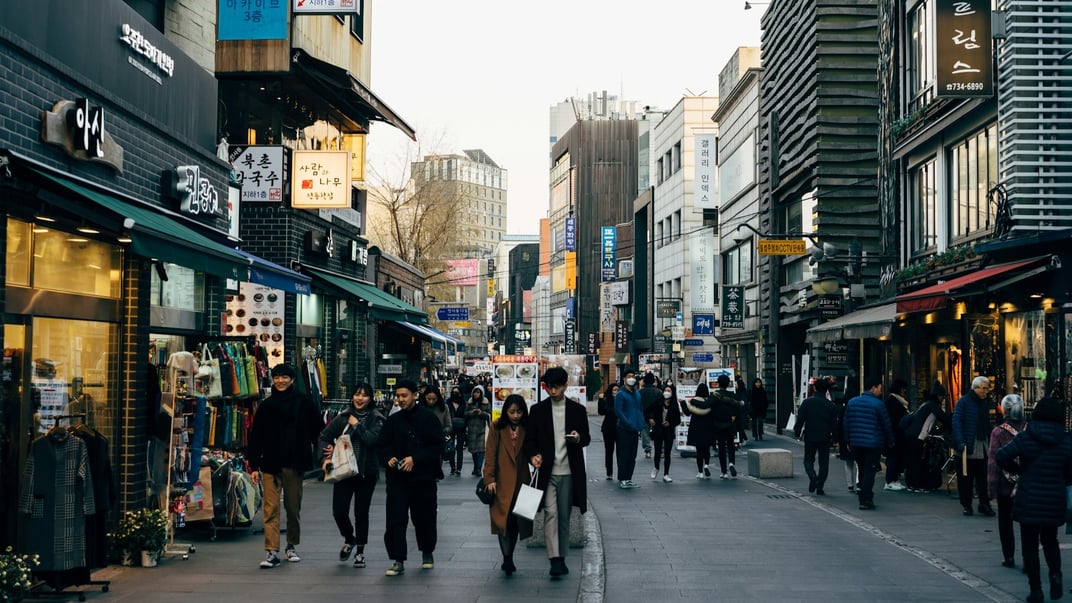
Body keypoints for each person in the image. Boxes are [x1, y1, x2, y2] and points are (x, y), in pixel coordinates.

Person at [996, 397, 1072, 603]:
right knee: (1050, 540)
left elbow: (1001, 456)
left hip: (1029, 495)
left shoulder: (1026, 436)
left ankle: (1036, 589)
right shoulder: (1065, 440)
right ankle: (1056, 575)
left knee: (1030, 544)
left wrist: (1020, 470)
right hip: (1054, 496)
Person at [247, 363, 322, 568]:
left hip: (294, 462)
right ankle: (272, 551)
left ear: (292, 380)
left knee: (292, 506)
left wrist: (325, 454)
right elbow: (256, 437)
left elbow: (319, 430)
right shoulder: (266, 406)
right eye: (277, 377)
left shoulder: (304, 403)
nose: (280, 381)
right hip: (270, 462)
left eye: (284, 377)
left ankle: (291, 545)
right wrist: (253, 465)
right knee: (270, 508)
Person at [523, 367, 590, 578]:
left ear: (565, 386)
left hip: (570, 472)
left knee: (564, 514)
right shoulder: (538, 410)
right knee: (551, 512)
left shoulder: (577, 410)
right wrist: (533, 455)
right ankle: (554, 559)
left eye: (557, 387)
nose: (553, 391)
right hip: (547, 472)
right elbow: (529, 440)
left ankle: (562, 556)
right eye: (549, 387)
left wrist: (578, 438)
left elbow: (586, 438)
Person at [379, 379, 445, 577]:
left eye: (404, 395)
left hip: (423, 478)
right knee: (396, 519)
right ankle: (398, 559)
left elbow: (437, 446)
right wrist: (388, 458)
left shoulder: (429, 418)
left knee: (424, 517)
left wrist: (415, 458)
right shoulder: (393, 420)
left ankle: (427, 552)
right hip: (397, 479)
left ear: (416, 395)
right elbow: (382, 444)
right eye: (398, 396)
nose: (400, 400)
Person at [318, 383, 385, 568]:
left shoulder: (377, 419)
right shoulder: (342, 417)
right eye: (357, 394)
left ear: (370, 399)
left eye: (364, 395)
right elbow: (324, 436)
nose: (360, 398)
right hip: (343, 471)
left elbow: (372, 440)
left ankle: (360, 552)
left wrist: (356, 426)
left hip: (366, 473)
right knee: (339, 511)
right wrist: (325, 456)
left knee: (361, 512)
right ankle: (349, 538)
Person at [483, 394, 533, 576]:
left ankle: (509, 555)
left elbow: (532, 450)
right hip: (501, 480)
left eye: (519, 412)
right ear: (506, 411)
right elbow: (490, 454)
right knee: (502, 521)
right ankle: (507, 557)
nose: (515, 415)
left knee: (516, 521)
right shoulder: (497, 426)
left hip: (522, 480)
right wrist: (489, 479)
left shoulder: (527, 428)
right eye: (512, 412)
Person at [988, 394, 1027, 570]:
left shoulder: (998, 432)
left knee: (1005, 523)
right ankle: (1029, 559)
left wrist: (991, 489)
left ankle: (1009, 556)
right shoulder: (1030, 429)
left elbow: (993, 463)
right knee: (1028, 525)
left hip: (1005, 485)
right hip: (1026, 485)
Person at [843, 376, 893, 510]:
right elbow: (886, 425)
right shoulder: (878, 404)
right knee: (870, 472)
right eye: (879, 388)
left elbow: (846, 423)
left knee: (862, 469)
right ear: (873, 388)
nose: (880, 392)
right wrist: (890, 440)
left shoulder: (852, 402)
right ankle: (865, 499)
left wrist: (847, 440)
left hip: (856, 443)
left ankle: (866, 496)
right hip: (873, 443)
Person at [952, 376, 997, 517]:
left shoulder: (987, 403)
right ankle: (967, 504)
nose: (986, 391)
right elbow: (957, 422)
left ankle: (984, 503)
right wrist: (960, 442)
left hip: (983, 443)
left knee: (984, 477)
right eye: (983, 388)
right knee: (966, 477)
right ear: (975, 388)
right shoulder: (964, 402)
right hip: (968, 444)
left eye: (987, 388)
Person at [795, 376, 836, 495]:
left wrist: (797, 432)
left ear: (815, 388)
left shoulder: (807, 402)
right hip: (825, 436)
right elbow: (834, 424)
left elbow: (800, 419)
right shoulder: (830, 405)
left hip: (810, 435)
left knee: (808, 459)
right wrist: (835, 438)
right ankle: (820, 486)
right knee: (824, 462)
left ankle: (812, 474)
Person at [902, 391, 951, 492]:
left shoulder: (925, 404)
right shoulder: (933, 407)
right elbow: (945, 419)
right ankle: (917, 485)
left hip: (910, 434)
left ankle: (911, 484)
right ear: (938, 396)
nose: (943, 400)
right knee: (917, 460)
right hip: (918, 436)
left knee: (911, 460)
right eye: (942, 396)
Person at [614, 370, 644, 489]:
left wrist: (640, 422)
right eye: (629, 377)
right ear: (624, 379)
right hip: (624, 429)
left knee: (632, 455)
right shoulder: (621, 394)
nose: (632, 378)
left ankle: (628, 478)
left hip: (635, 429)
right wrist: (628, 422)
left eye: (633, 376)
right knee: (624, 455)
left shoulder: (637, 393)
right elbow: (618, 411)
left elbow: (640, 409)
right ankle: (622, 478)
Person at [646, 383, 682, 482]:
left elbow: (678, 420)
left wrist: (670, 423)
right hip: (658, 430)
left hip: (668, 431)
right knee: (657, 452)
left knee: (667, 453)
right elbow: (648, 411)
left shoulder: (674, 405)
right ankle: (656, 467)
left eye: (669, 391)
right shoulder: (658, 402)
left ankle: (666, 473)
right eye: (665, 390)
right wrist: (650, 419)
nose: (666, 393)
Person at [710, 375, 741, 479]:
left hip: (719, 424)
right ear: (728, 384)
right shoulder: (732, 395)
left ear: (718, 383)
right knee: (731, 444)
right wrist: (734, 416)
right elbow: (738, 407)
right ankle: (731, 463)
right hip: (730, 424)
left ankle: (724, 472)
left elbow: (711, 408)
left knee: (722, 447)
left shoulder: (715, 395)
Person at [682, 383, 716, 479]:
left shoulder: (694, 401)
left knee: (699, 451)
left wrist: (683, 403)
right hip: (708, 428)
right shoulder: (709, 402)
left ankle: (700, 472)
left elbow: (687, 413)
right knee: (707, 449)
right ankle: (706, 465)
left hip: (696, 428)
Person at [883, 378, 910, 492]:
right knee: (893, 458)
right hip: (894, 435)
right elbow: (894, 419)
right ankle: (890, 480)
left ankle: (894, 480)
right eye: (904, 389)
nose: (905, 391)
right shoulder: (893, 401)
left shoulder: (895, 400)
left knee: (895, 457)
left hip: (896, 434)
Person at [421, 386, 454, 472]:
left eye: (434, 399)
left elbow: (449, 425)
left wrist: (441, 431)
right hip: (422, 442)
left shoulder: (444, 408)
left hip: (437, 441)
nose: (431, 401)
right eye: (429, 399)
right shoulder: (420, 408)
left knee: (436, 466)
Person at [465, 385, 491, 476]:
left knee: (481, 449)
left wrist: (482, 413)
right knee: (474, 450)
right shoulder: (470, 402)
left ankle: (479, 468)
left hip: (482, 428)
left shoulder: (486, 402)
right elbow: (465, 414)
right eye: (475, 392)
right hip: (472, 428)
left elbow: (489, 415)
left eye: (478, 392)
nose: (476, 394)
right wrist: (472, 412)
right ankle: (476, 466)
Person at [597, 383, 620, 481]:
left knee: (620, 451)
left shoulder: (621, 400)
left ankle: (621, 471)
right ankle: (609, 471)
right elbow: (601, 412)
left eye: (617, 390)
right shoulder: (606, 400)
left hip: (619, 428)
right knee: (609, 451)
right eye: (614, 390)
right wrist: (601, 400)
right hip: (608, 428)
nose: (616, 392)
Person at [638, 373, 661, 459]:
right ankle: (660, 450)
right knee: (658, 433)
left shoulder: (640, 392)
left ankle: (648, 451)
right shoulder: (658, 392)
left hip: (644, 415)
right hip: (656, 416)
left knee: (645, 433)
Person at [446, 385, 467, 476]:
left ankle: (459, 468)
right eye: (453, 392)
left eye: (457, 392)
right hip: (450, 427)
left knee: (459, 448)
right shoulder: (448, 403)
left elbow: (466, 415)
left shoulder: (464, 403)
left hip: (461, 427)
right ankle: (452, 467)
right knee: (451, 448)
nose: (455, 394)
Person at [734, 375, 750, 446]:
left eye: (736, 384)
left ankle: (741, 440)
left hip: (742, 413)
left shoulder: (742, 393)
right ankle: (744, 439)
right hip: (740, 412)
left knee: (740, 427)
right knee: (740, 427)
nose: (735, 385)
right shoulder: (740, 392)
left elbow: (744, 403)